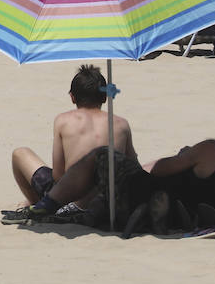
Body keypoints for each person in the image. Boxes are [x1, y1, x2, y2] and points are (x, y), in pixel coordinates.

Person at [5, 113, 215, 230]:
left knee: (103, 155)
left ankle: (47, 205)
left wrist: (184, 155)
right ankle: (171, 214)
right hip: (190, 218)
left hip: (151, 191)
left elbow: (160, 169)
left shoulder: (214, 150)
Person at [10, 64, 136, 206]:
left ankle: (37, 203)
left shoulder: (63, 121)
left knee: (20, 153)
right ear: (105, 97)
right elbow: (133, 167)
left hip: (69, 197)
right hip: (107, 201)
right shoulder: (121, 124)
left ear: (72, 97)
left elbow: (58, 175)